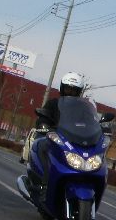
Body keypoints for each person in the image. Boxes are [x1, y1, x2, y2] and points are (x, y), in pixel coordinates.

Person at [31, 71, 93, 203]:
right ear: (62, 88)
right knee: (42, 146)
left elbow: (91, 122)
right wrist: (43, 125)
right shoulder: (53, 104)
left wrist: (98, 130)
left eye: (74, 90)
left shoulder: (84, 108)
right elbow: (43, 117)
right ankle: (44, 185)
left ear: (79, 92)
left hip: (75, 142)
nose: (70, 92)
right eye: (68, 89)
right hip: (56, 139)